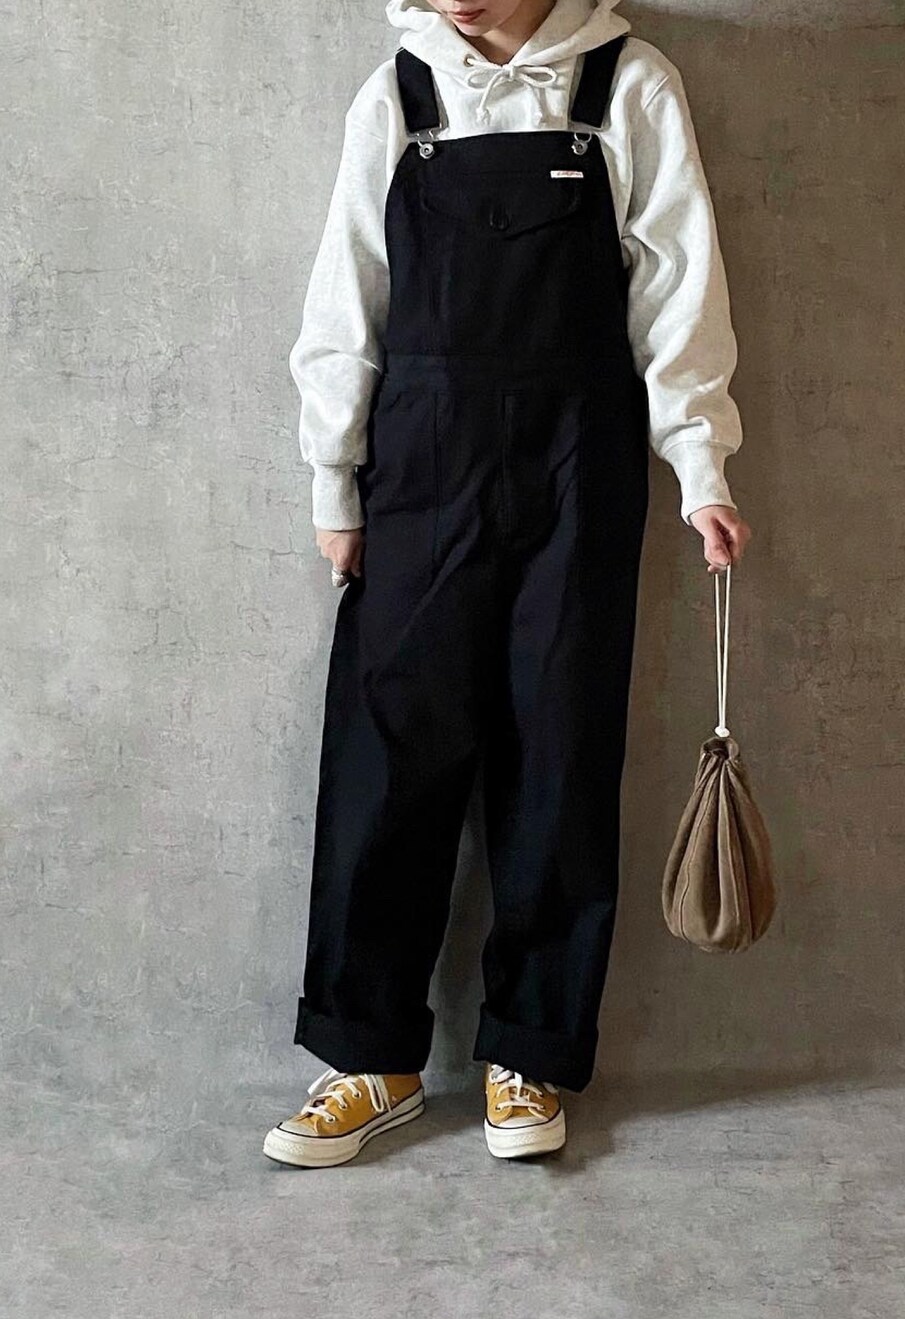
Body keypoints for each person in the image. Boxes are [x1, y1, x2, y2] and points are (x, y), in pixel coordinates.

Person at [263, 0, 752, 1169]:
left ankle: (528, 1047)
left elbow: (678, 288)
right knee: (388, 752)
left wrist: (700, 466)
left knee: (560, 745)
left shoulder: (627, 86)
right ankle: (369, 1055)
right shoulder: (398, 95)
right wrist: (333, 480)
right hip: (416, 465)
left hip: (579, 464)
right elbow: (347, 295)